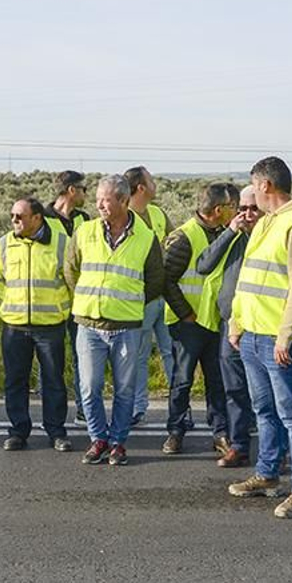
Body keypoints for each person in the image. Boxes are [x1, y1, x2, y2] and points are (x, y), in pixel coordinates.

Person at [227, 156, 292, 520]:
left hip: (280, 340)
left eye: (253, 184)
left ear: (266, 185)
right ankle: (267, 475)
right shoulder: (267, 223)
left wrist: (287, 335)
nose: (251, 193)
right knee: (264, 411)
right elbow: (248, 277)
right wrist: (237, 323)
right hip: (252, 334)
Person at [64, 174, 162, 466]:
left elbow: (155, 279)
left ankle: (118, 442)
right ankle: (98, 439)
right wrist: (86, 299)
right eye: (97, 199)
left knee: (125, 389)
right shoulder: (85, 231)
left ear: (123, 200)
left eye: (105, 199)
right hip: (90, 325)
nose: (100, 205)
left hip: (127, 327)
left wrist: (127, 303)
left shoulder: (145, 237)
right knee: (89, 387)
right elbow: (71, 270)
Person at [161, 183, 238, 455]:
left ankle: (220, 433)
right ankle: (175, 431)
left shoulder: (226, 234)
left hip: (216, 322)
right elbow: (165, 280)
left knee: (217, 381)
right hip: (188, 324)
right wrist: (186, 313)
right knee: (182, 380)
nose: (235, 211)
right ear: (218, 210)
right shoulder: (182, 237)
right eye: (232, 207)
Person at [0, 197, 72, 452]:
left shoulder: (61, 243)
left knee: (53, 381)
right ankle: (18, 431)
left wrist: (63, 309)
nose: (14, 221)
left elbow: (72, 280)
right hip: (14, 326)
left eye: (20, 216)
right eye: (12, 215)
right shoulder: (5, 243)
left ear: (37, 218)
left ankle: (56, 431)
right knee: (15, 381)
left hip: (50, 326)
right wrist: (10, 305)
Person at [195, 185, 260, 468]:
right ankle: (239, 446)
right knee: (232, 390)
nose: (246, 214)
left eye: (252, 209)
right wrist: (230, 231)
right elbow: (204, 264)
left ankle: (277, 452)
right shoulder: (234, 236)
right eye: (242, 208)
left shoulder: (271, 236)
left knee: (265, 394)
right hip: (231, 325)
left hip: (261, 324)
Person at [124, 165, 174, 424]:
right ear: (141, 187)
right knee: (139, 357)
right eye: (152, 181)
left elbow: (174, 247)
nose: (156, 185)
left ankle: (179, 409)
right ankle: (137, 409)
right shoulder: (123, 217)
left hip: (165, 298)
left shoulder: (158, 214)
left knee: (172, 353)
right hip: (139, 301)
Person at [42, 169, 90, 420]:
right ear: (72, 190)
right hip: (51, 304)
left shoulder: (85, 219)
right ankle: (53, 416)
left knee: (83, 358)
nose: (86, 194)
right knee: (51, 363)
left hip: (80, 302)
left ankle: (84, 410)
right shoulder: (41, 218)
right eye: (83, 189)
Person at [42, 170, 88, 236]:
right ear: (72, 190)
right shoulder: (43, 220)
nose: (85, 194)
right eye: (84, 190)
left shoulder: (84, 218)